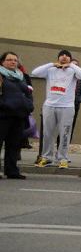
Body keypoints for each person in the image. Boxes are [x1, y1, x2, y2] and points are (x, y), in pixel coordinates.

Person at [31, 50, 81, 169]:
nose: (64, 57)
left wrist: (71, 65)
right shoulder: (51, 70)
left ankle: (62, 158)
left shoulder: (72, 71)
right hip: (49, 106)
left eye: (67, 56)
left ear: (70, 59)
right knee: (47, 133)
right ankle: (47, 157)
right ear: (58, 58)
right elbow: (35, 72)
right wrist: (52, 64)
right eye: (62, 55)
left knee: (65, 134)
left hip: (67, 107)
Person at [0, 51, 33, 179]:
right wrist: (5, 104)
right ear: (2, 62)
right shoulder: (1, 75)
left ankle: (12, 171)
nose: (13, 62)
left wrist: (29, 105)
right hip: (3, 115)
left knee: (14, 145)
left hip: (19, 116)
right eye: (9, 60)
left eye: (15, 60)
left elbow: (28, 92)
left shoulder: (21, 76)